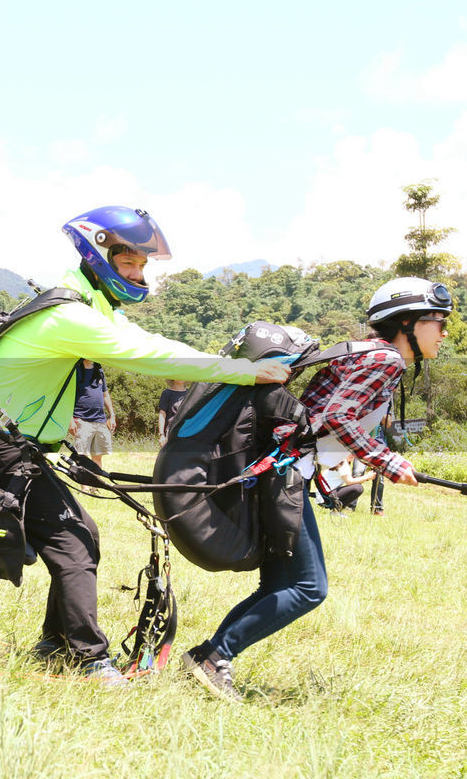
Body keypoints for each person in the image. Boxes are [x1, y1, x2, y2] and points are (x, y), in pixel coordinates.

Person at [0, 205, 290, 686]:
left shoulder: (89, 305)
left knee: (81, 536)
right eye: (129, 264)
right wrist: (244, 370)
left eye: (142, 265)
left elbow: (145, 336)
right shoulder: (67, 315)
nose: (138, 274)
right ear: (98, 255)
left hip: (16, 444)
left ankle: (56, 642)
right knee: (74, 543)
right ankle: (88, 657)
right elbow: (150, 355)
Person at [181, 276, 452, 700]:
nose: (445, 332)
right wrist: (389, 461)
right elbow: (339, 417)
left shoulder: (368, 353)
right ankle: (214, 656)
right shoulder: (386, 360)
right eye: (438, 322)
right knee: (309, 588)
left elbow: (327, 418)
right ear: (408, 324)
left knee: (280, 586)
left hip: (282, 471)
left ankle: (208, 657)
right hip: (286, 474)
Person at [68, 359, 115, 469]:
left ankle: (95, 485)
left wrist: (112, 415)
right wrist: (70, 420)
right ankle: (84, 486)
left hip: (100, 420)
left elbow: (105, 395)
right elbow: (67, 396)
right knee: (82, 456)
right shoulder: (76, 369)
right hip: (82, 420)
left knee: (97, 456)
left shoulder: (99, 370)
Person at [157, 379, 187, 444]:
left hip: (187, 432)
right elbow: (162, 414)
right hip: (171, 433)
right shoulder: (166, 393)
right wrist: (161, 435)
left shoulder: (191, 393)